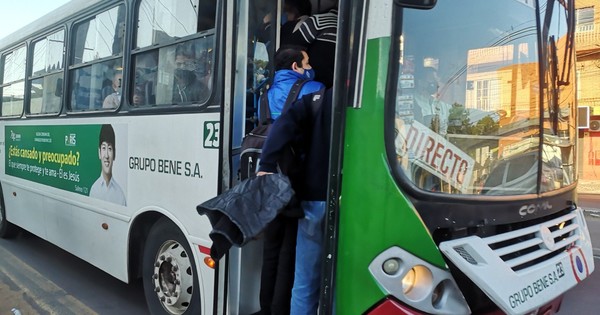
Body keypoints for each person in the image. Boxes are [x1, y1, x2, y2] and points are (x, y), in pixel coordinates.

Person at [252, 46, 324, 315]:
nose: (309, 66)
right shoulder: (313, 88)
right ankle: (280, 310)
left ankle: (265, 306)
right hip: (297, 179)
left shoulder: (264, 94)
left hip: (270, 179)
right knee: (289, 252)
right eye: (307, 62)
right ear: (296, 66)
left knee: (271, 247)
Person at [286, 3, 338, 88]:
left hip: (311, 83)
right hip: (335, 86)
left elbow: (290, 47)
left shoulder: (318, 21)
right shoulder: (353, 28)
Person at [89, 124, 127, 206]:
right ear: (99, 153)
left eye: (109, 149)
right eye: (103, 148)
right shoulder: (94, 190)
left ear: (114, 154)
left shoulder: (120, 195)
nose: (106, 155)